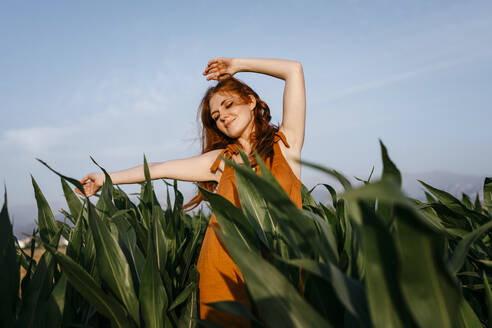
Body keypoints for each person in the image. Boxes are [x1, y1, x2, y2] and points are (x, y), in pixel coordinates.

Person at [76, 57, 306, 327]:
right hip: (225, 275)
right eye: (216, 117)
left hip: (281, 272)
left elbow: (294, 70)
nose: (223, 118)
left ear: (251, 101)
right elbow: (160, 169)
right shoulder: (222, 161)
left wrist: (238, 66)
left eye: (228, 105)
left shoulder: (286, 147)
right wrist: (105, 179)